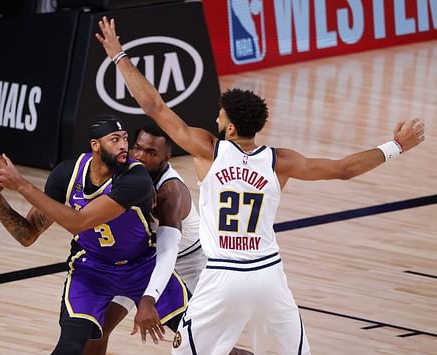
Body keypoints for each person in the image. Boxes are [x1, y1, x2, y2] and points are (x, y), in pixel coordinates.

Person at [95, 17, 426, 355]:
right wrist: (395, 146)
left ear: (232, 128)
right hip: (268, 276)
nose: (216, 120)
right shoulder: (279, 161)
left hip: (222, 277)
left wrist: (118, 54)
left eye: (221, 118)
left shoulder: (209, 150)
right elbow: (342, 170)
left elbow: (154, 106)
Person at [0, 115, 188, 354]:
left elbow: (79, 222)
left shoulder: (136, 178)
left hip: (142, 267)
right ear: (95, 145)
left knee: (202, 336)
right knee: (71, 347)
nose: (123, 145)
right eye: (114, 140)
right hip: (92, 269)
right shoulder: (66, 175)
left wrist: (21, 185)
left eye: (124, 139)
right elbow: (27, 235)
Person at [85, 123, 252, 355]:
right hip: (143, 260)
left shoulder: (169, 193)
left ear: (167, 157)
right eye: (138, 149)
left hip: (189, 262)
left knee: (204, 344)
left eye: (151, 153)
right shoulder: (127, 168)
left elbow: (167, 253)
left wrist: (148, 299)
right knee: (97, 328)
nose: (141, 157)